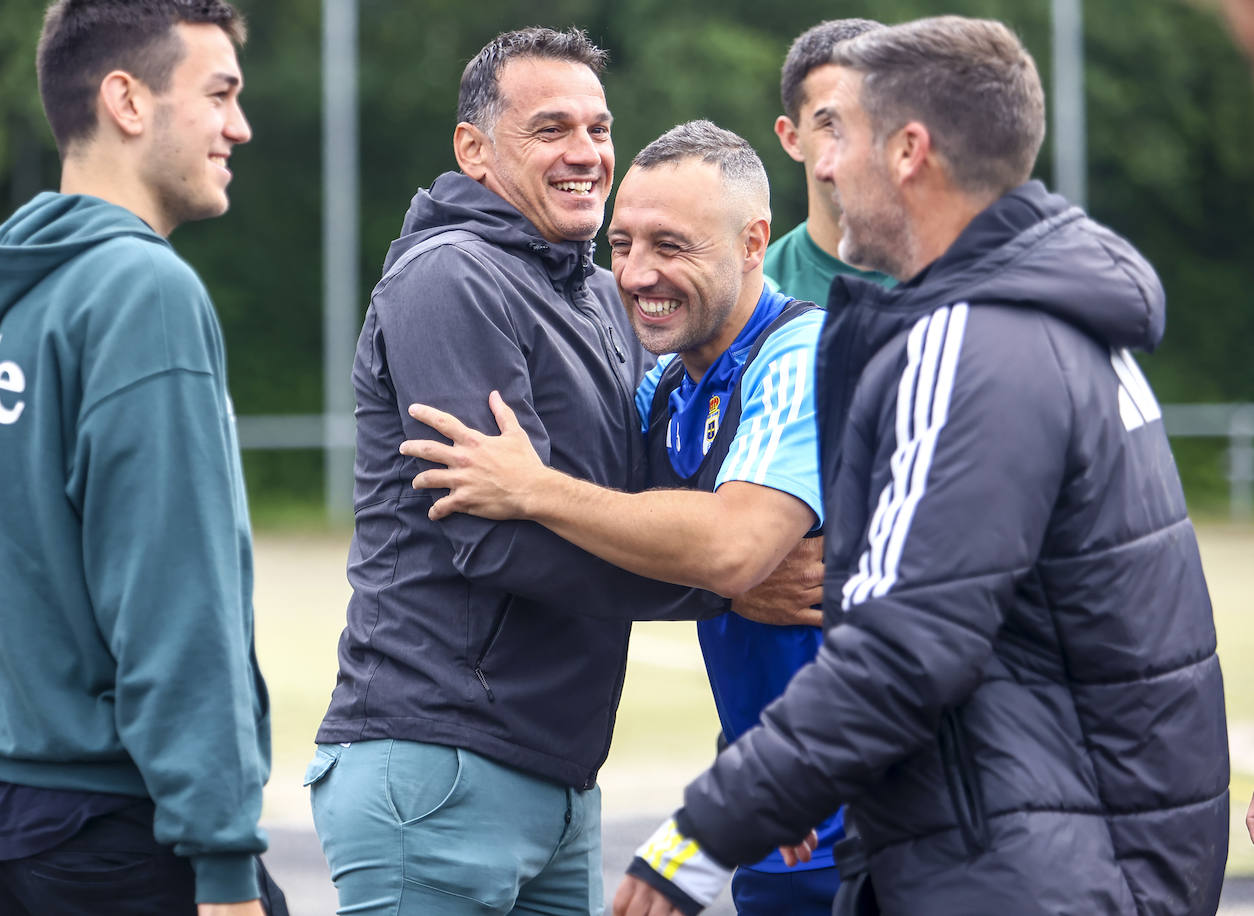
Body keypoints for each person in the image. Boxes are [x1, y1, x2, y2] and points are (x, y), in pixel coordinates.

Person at [616, 15, 1229, 916]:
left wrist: (701, 835)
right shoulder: (1067, 323)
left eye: (841, 136)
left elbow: (904, 651)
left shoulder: (970, 342)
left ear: (908, 151)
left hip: (1025, 872)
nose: (823, 169)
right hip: (1103, 851)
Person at [307, 28, 737, 916]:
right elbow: (497, 545)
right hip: (438, 764)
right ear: (475, 150)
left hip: (558, 775)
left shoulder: (590, 291)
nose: (586, 154)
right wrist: (723, 583)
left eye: (598, 128)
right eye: (551, 130)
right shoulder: (452, 278)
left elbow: (631, 499)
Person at [400, 119, 836, 915]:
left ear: (752, 244)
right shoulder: (664, 384)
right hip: (777, 802)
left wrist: (535, 488)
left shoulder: (802, 355)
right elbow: (633, 536)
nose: (637, 275)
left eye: (671, 246)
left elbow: (733, 550)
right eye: (624, 244)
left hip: (890, 815)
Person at [0, 2, 284, 915]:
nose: (239, 125)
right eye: (219, 93)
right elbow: (174, 596)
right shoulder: (141, 289)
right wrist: (225, 860)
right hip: (106, 831)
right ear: (128, 100)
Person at [765, 19, 891, 301]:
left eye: (879, 121)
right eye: (832, 125)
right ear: (791, 138)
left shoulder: (965, 276)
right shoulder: (755, 297)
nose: (860, 149)